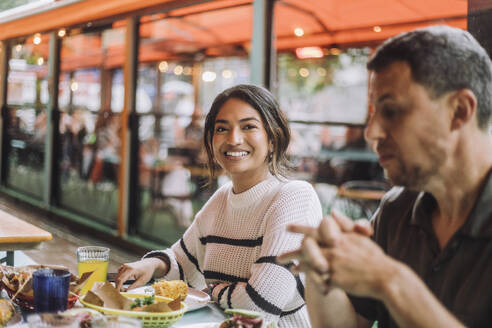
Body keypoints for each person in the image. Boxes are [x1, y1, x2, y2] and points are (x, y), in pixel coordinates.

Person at [278, 25, 492, 328]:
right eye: (373, 113)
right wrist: (321, 270)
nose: (372, 133)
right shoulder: (397, 209)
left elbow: (390, 282)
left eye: (391, 111)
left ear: (459, 110)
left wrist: (392, 281)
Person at [116, 84, 323, 327]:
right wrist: (151, 264)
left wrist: (211, 291)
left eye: (248, 127)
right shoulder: (223, 197)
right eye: (222, 128)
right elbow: (185, 262)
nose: (233, 139)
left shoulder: (294, 196)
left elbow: (258, 308)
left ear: (272, 139)